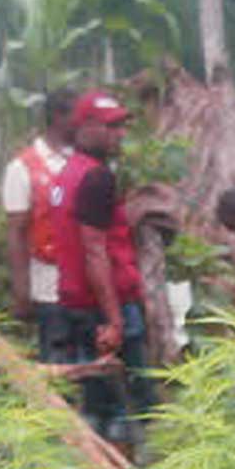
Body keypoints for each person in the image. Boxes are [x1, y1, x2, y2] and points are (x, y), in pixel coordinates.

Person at [52, 90, 152, 444]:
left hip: (77, 306)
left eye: (122, 126)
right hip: (104, 309)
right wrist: (114, 320)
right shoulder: (96, 178)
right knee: (127, 407)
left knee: (96, 402)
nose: (119, 134)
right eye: (111, 127)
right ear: (87, 126)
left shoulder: (68, 173)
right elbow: (95, 252)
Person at [2, 87, 76, 361]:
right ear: (59, 117)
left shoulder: (83, 160)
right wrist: (22, 291)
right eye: (78, 116)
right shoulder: (22, 168)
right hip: (49, 290)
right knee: (58, 367)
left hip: (88, 289)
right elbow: (17, 232)